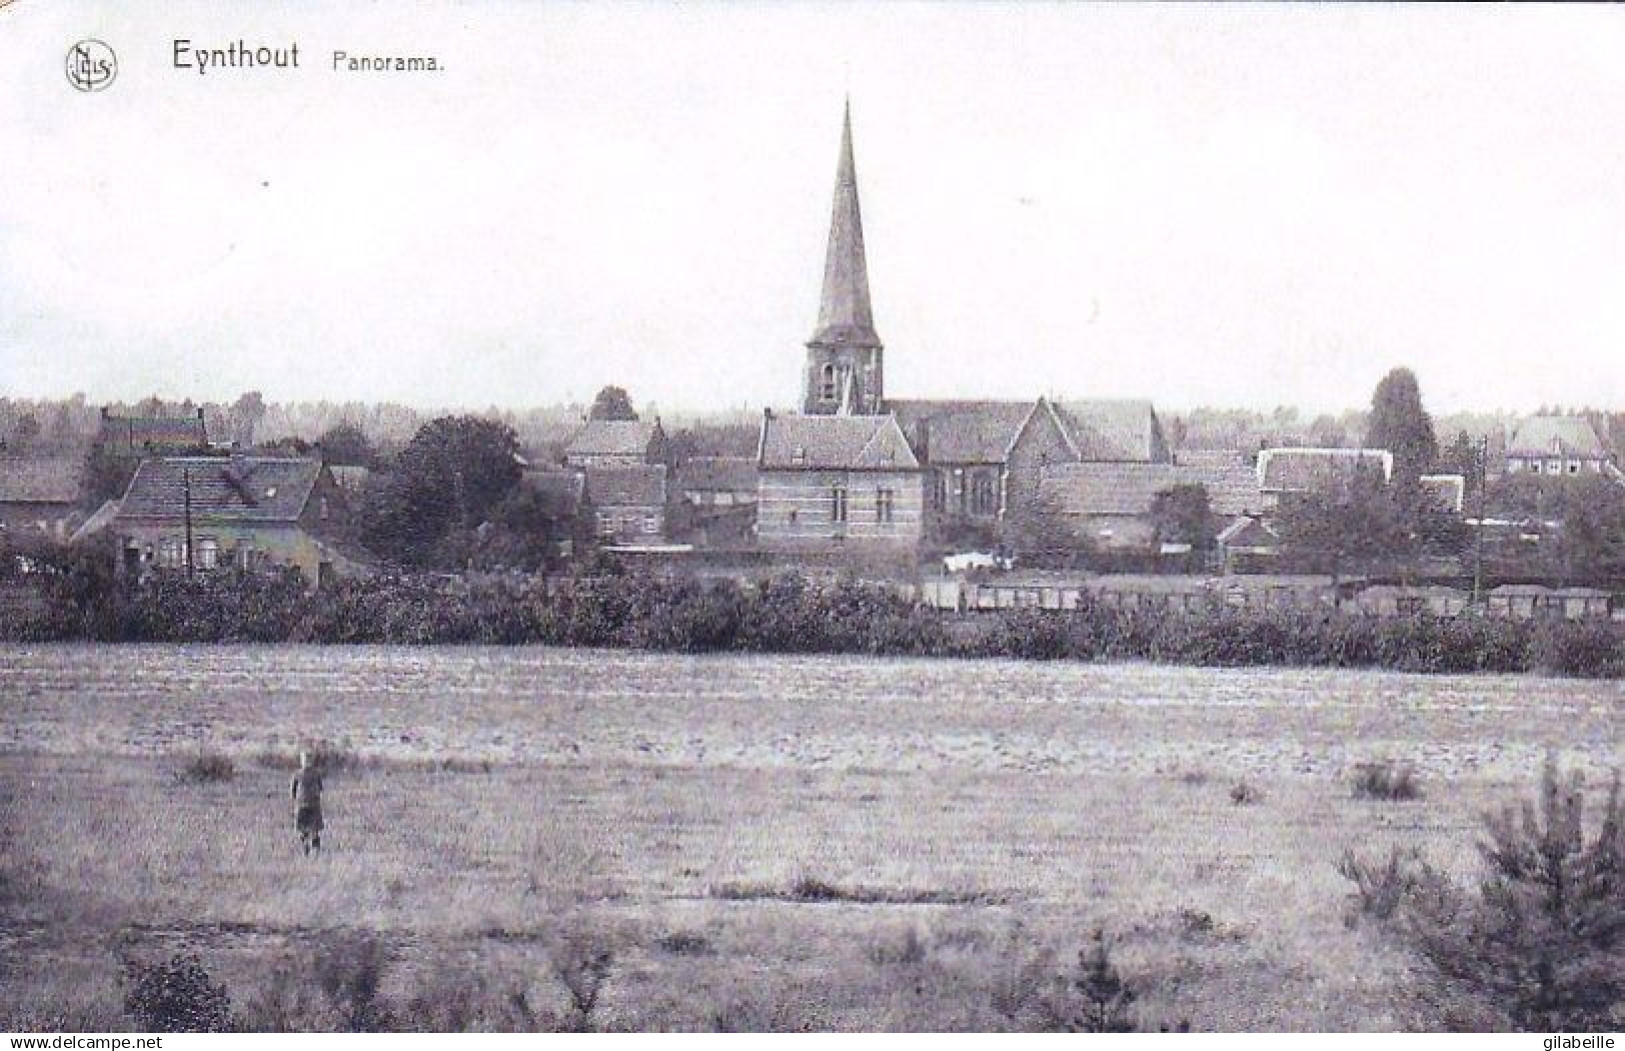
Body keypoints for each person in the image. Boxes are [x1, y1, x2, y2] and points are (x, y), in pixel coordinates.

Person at [290, 751, 324, 855]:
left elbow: (292, 791)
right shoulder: (317, 773)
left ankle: (306, 844)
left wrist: (296, 800)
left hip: (302, 804)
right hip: (314, 803)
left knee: (302, 827)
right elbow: (321, 788)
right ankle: (314, 845)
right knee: (315, 827)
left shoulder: (297, 774)